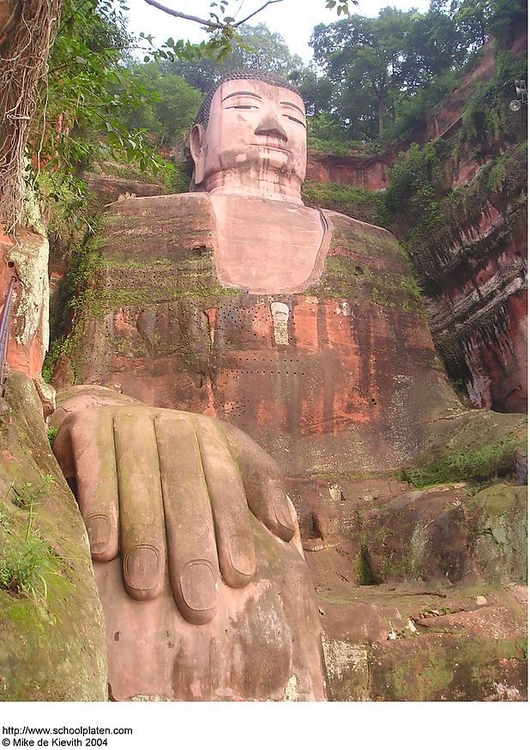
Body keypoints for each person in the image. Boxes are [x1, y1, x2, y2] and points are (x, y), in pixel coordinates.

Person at [51, 71, 461, 700]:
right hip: (216, 503)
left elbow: (436, 418)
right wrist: (115, 415)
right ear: (196, 143)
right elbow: (75, 389)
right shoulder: (136, 230)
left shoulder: (372, 249)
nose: (273, 125)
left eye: (293, 116)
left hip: (383, 507)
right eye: (245, 107)